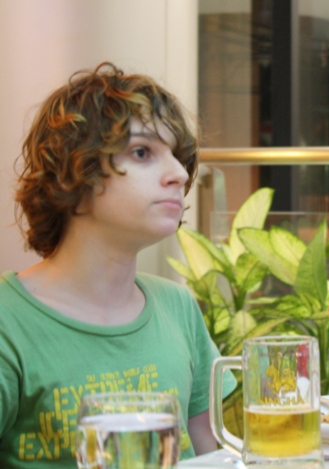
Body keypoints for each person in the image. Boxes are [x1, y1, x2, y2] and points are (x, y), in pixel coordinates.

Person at [0, 63, 236, 468]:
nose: (179, 174)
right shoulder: (9, 320)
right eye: (143, 152)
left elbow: (213, 459)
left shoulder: (177, 305)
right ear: (74, 173)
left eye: (178, 157)